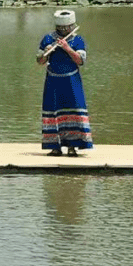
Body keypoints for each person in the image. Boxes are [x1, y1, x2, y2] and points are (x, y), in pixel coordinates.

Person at [37, 9, 93, 156]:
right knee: (53, 111)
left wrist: (67, 48)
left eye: (68, 28)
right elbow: (39, 61)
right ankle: (55, 146)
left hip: (71, 80)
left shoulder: (77, 40)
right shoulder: (48, 38)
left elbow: (80, 61)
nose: (65, 30)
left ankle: (72, 146)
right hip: (53, 80)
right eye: (62, 28)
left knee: (73, 109)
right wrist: (46, 52)